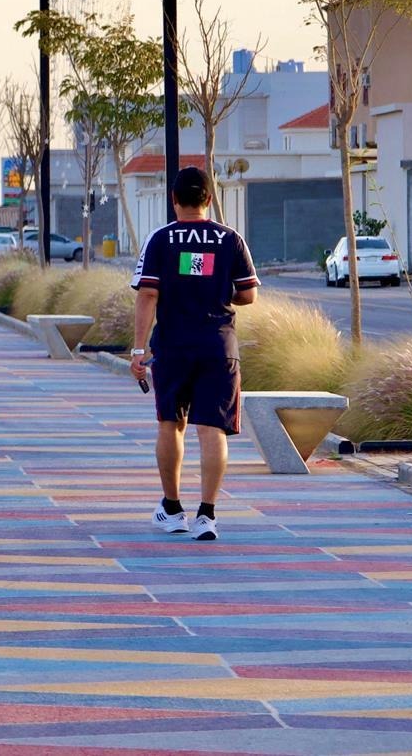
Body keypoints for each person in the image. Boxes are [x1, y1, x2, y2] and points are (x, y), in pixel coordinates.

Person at [130, 166, 260, 542]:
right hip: (219, 347)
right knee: (211, 429)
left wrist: (138, 350)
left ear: (174, 199)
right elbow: (248, 293)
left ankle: (172, 509)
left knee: (171, 423)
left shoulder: (161, 239)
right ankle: (207, 515)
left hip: (173, 346)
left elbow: (147, 294)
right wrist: (216, 292)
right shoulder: (230, 239)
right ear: (209, 198)